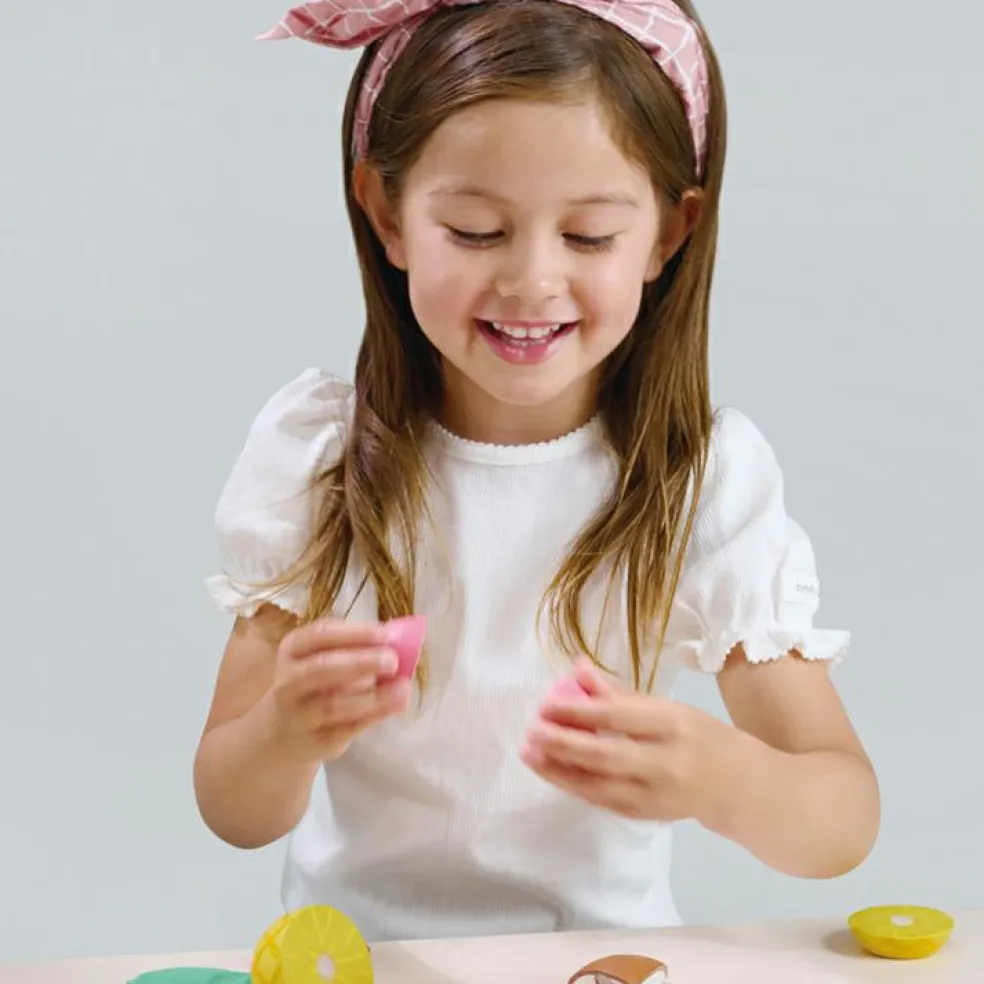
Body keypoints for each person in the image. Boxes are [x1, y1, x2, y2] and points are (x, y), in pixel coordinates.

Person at [193, 0, 880, 943]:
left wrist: (722, 777)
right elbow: (233, 810)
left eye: (589, 236)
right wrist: (284, 731)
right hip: (361, 959)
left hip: (598, 956)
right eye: (476, 230)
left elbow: (842, 822)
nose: (530, 281)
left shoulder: (692, 481)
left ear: (668, 233)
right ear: (387, 215)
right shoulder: (320, 459)